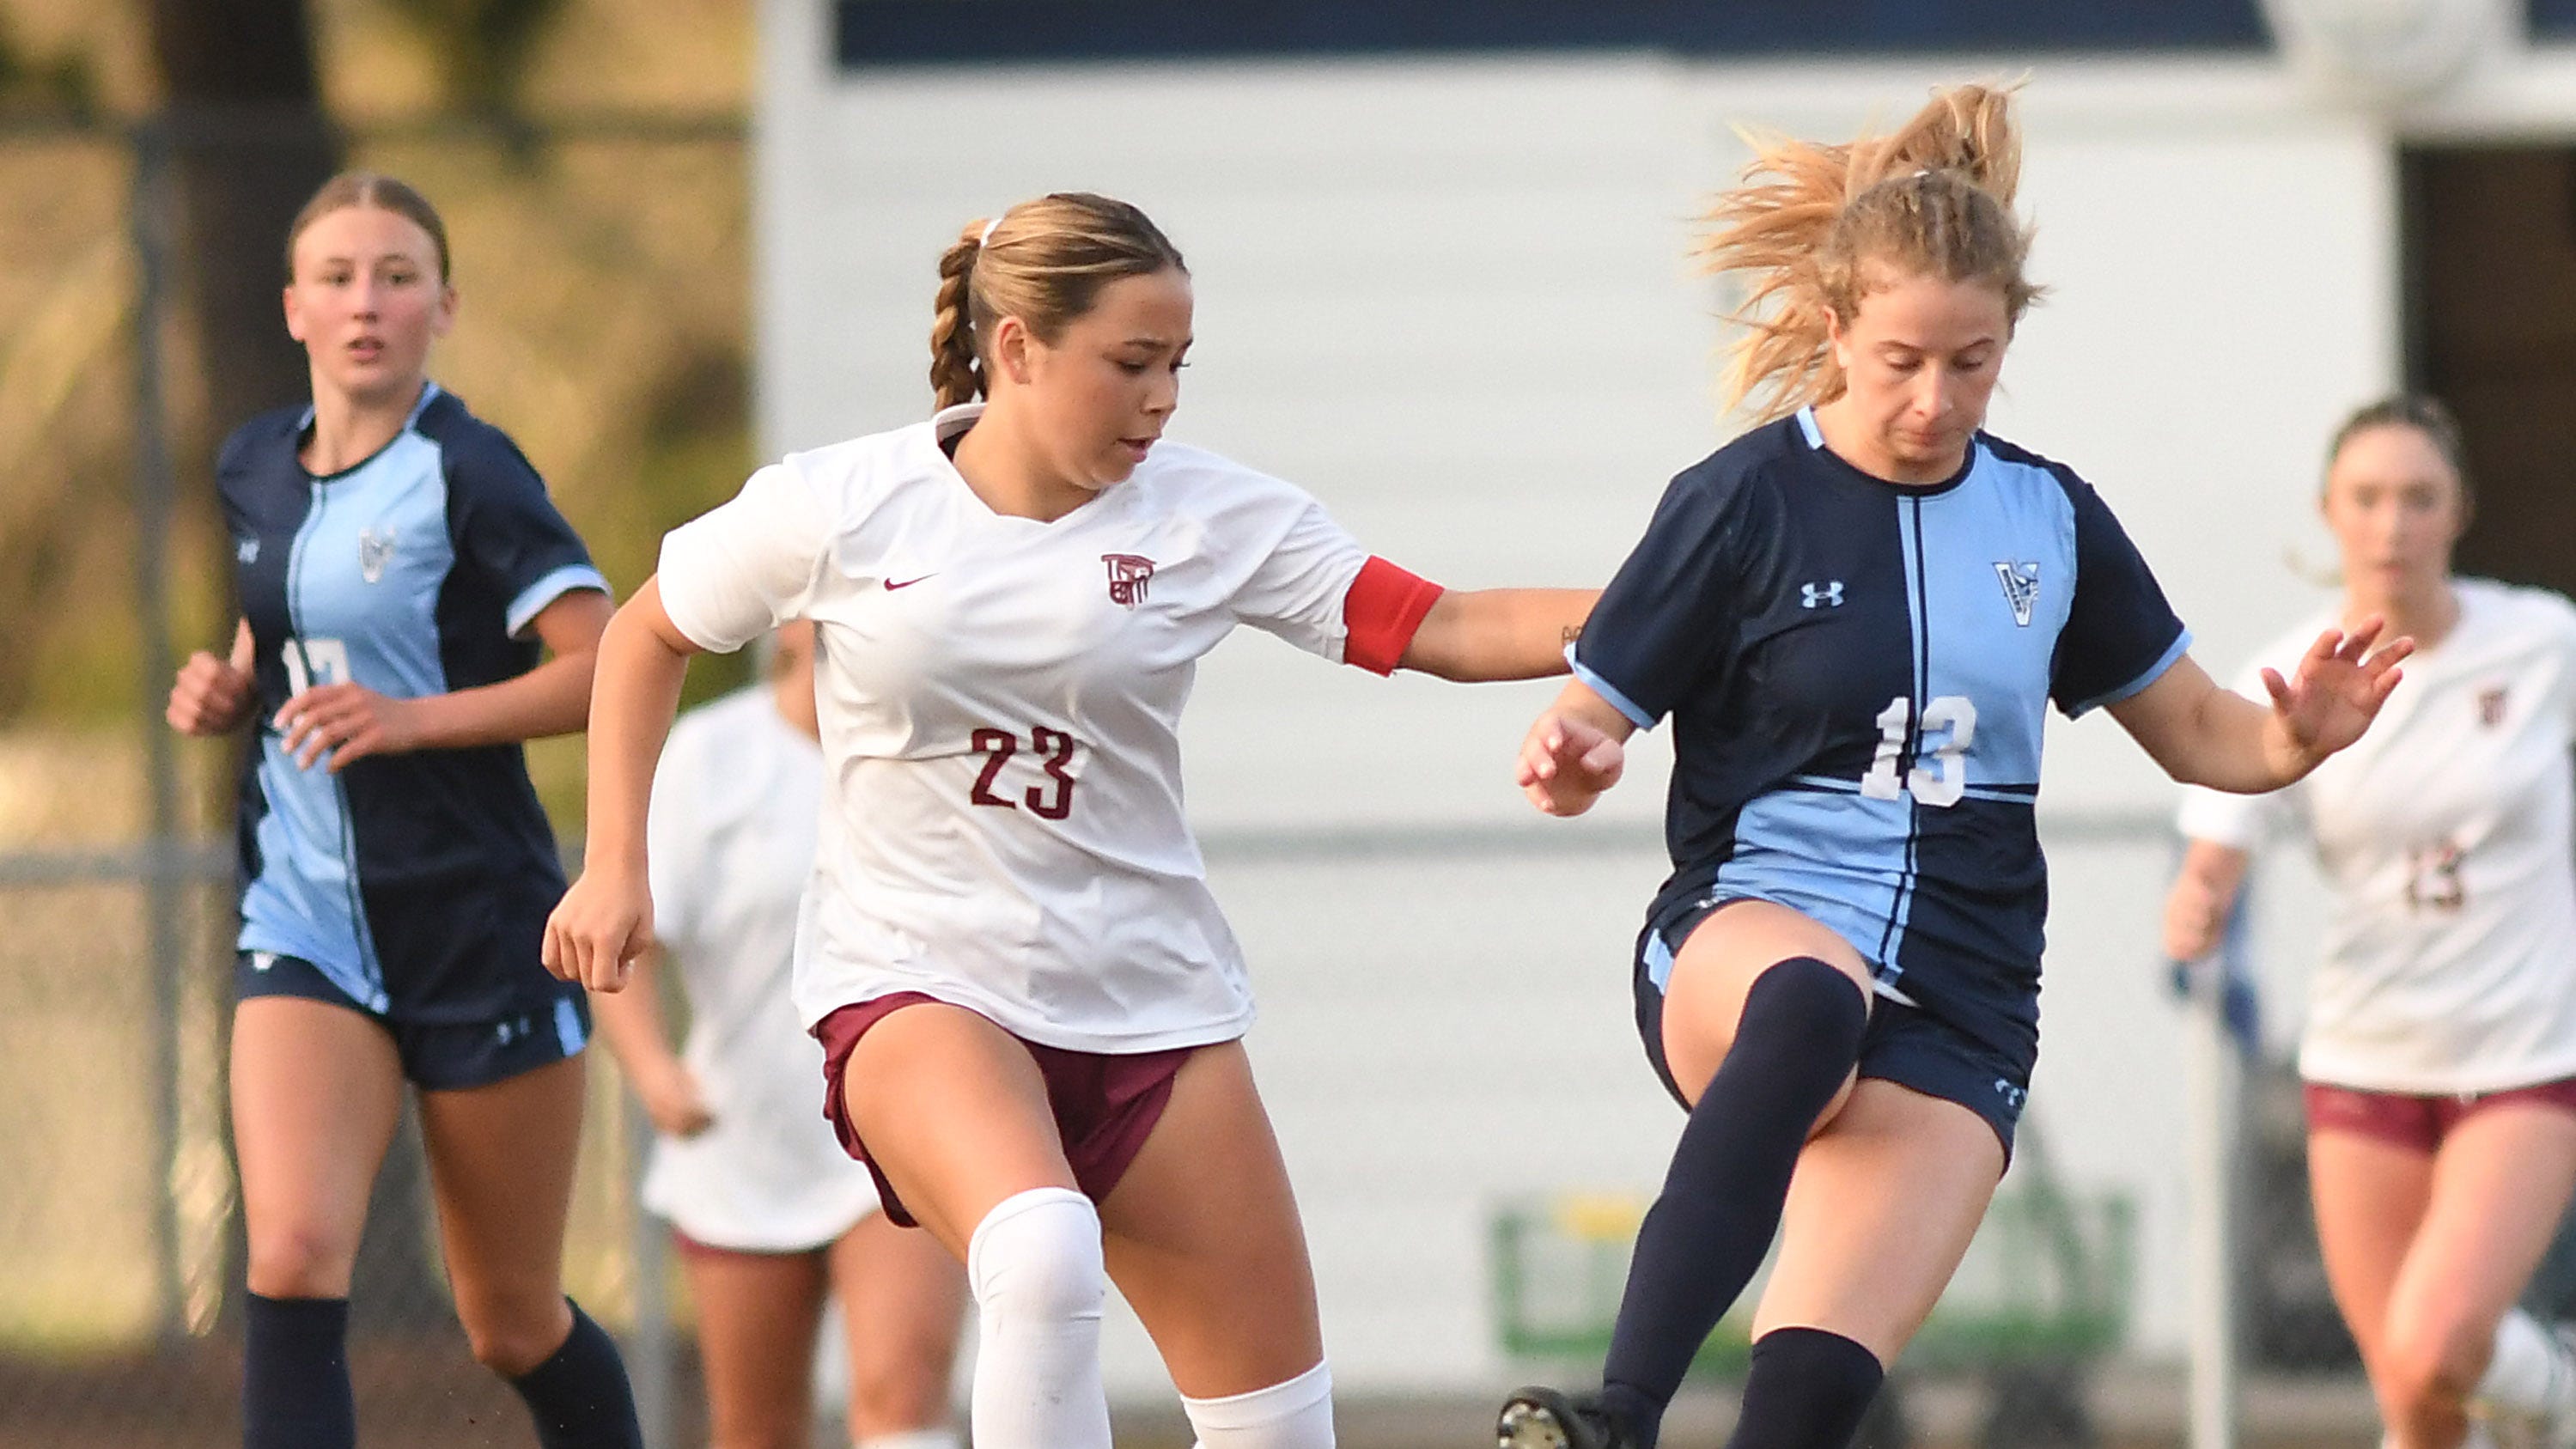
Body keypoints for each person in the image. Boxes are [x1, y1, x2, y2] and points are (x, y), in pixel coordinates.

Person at [541, 191, 1596, 1449]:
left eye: (1177, 368)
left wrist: (1688, 605)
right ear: (1017, 347)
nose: (1160, 399)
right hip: (919, 984)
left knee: (1278, 1431)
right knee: (1041, 1248)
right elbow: (646, 634)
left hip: (1153, 1007)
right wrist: (614, 861)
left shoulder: (1212, 514)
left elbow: (1445, 625)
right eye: (1131, 363)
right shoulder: (843, 501)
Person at [1494, 86, 2414, 1449]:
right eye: (1898, 361)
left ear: (2004, 344)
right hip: (1749, 936)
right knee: (1811, 1004)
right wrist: (1574, 751)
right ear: (1831, 333)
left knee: (1803, 1400)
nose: (1933, 400)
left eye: (1969, 363)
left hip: (1961, 996)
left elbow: (2206, 732)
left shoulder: (2047, 518)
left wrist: (2292, 736)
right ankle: (1614, 1414)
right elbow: (1593, 711)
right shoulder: (1739, 500)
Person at [162, 172, 642, 1449]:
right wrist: (232, 681)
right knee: (297, 1250)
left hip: (475, 920)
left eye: (394, 275)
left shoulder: (472, 471)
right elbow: (282, 623)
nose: (364, 300)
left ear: (443, 306)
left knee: (509, 1316)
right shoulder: (253, 464)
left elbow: (605, 665)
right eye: (337, 277)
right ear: (293, 308)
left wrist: (411, 717)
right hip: (305, 914)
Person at [2165, 396, 2576, 1449]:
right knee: (2410, 1397)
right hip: (2362, 1061)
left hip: (2521, 1056)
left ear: (2457, 513)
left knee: (2437, 1339)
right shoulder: (2293, 671)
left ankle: (2552, 1387)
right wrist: (2199, 897)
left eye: (2416, 498)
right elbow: (2220, 827)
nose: (2391, 523)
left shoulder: (2539, 644)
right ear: (2328, 514)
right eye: (2367, 499)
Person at [590, 618, 969, 1449]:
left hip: (904, 1131)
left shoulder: (942, 754)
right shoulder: (708, 754)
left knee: (902, 1395)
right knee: (756, 1428)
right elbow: (623, 937)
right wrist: (655, 1072)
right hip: (744, 1137)